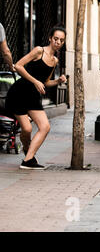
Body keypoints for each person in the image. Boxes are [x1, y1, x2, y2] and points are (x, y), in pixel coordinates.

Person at [6, 26, 67, 169]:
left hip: (33, 97)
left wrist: (58, 81)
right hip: (20, 92)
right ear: (50, 38)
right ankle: (28, 152)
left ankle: (28, 160)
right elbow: (19, 66)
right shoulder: (39, 51)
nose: (58, 42)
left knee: (45, 126)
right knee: (26, 129)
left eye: (61, 40)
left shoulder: (55, 61)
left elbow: (45, 82)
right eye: (56, 39)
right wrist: (35, 81)